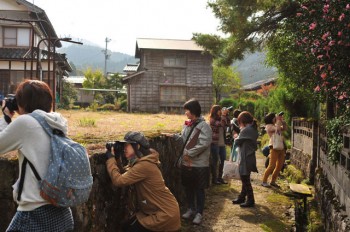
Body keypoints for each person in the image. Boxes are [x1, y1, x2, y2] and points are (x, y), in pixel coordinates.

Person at [0, 80, 74, 231]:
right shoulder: (56, 122)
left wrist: (6, 117)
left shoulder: (26, 122)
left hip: (34, 214)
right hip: (63, 214)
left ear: (23, 103)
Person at [105, 131, 181, 232]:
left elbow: (119, 180)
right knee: (126, 226)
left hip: (164, 215)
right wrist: (117, 158)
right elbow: (126, 174)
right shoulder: (143, 162)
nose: (124, 149)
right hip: (158, 210)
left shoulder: (144, 165)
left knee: (129, 229)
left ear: (137, 146)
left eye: (127, 146)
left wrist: (110, 160)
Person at [163, 98, 212, 225]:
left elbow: (204, 144)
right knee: (188, 187)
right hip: (187, 162)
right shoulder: (187, 124)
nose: (185, 113)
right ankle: (191, 209)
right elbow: (184, 139)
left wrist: (188, 153)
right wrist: (173, 136)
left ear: (193, 111)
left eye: (187, 110)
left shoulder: (204, 126)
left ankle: (199, 213)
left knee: (199, 189)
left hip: (199, 163)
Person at [231, 111, 259, 208]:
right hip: (249, 157)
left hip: (246, 158)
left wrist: (235, 136)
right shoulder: (252, 128)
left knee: (245, 179)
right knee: (245, 178)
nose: (239, 124)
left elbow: (237, 142)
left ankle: (250, 200)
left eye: (239, 122)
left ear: (243, 121)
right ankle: (242, 197)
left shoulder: (246, 130)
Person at [261, 112, 287, 188]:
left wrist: (282, 121)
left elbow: (284, 128)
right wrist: (278, 121)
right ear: (271, 119)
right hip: (274, 147)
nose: (276, 118)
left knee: (279, 166)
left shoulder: (276, 124)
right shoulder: (269, 126)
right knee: (271, 166)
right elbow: (278, 129)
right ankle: (264, 181)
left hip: (281, 147)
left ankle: (273, 181)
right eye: (275, 117)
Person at [209, 105, 230, 185]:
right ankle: (214, 180)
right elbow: (220, 124)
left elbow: (228, 124)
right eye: (219, 110)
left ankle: (219, 178)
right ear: (215, 111)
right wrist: (223, 116)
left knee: (223, 161)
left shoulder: (221, 118)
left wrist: (226, 115)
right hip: (215, 143)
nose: (220, 111)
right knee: (215, 161)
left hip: (222, 143)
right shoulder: (212, 119)